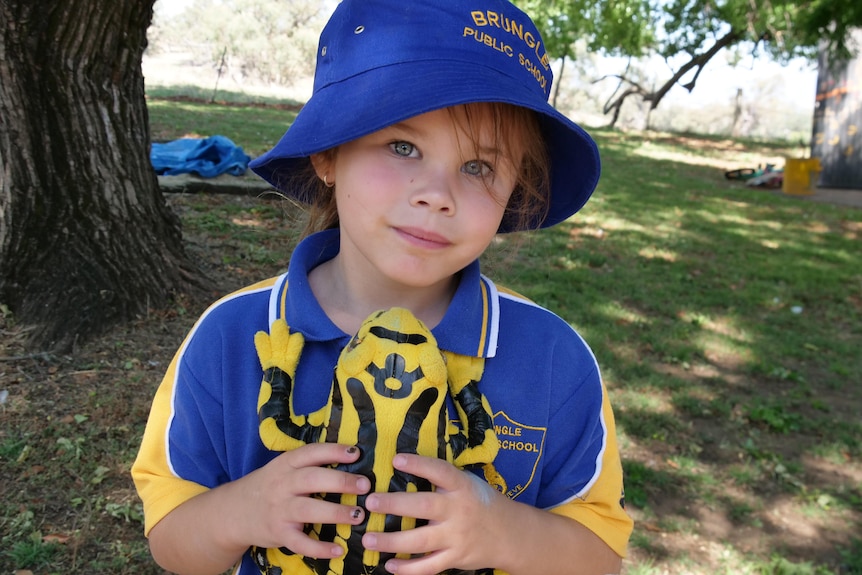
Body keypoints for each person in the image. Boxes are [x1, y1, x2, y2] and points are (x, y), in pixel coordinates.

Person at [131, 0, 634, 574]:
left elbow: (601, 557)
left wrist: (504, 530)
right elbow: (172, 540)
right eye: (402, 147)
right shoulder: (232, 336)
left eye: (478, 167)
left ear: (516, 187)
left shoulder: (552, 360)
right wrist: (240, 511)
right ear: (328, 153)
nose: (436, 194)